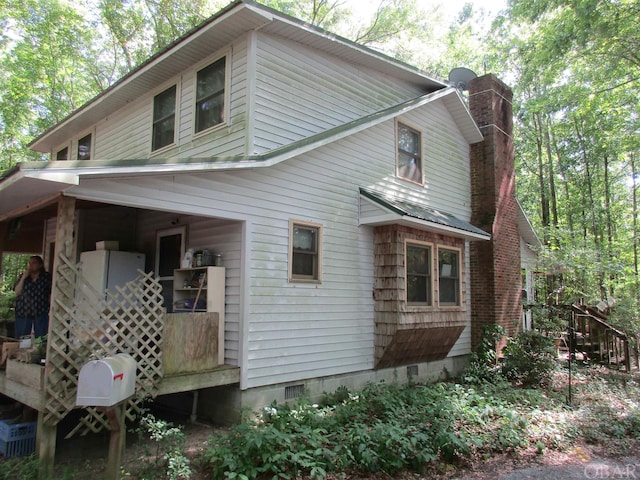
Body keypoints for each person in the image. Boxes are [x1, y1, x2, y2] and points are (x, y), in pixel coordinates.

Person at [13, 255, 52, 339]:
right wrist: (23, 277)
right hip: (23, 311)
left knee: (41, 337)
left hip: (40, 311)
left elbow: (51, 292)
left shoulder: (46, 277)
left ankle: (39, 351)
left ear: (40, 265)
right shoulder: (24, 277)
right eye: (29, 263)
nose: (31, 265)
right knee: (22, 337)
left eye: (34, 263)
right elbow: (17, 291)